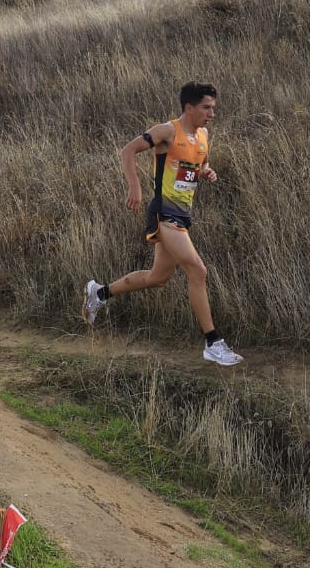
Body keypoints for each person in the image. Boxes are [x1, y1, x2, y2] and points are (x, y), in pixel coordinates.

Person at [82, 81, 242, 366]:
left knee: (158, 278)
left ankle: (100, 292)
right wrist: (135, 188)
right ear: (189, 107)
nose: (211, 114)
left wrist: (207, 172)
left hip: (183, 214)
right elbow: (128, 151)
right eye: (206, 107)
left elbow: (196, 165)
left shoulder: (203, 135)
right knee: (197, 270)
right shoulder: (167, 131)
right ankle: (213, 342)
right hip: (164, 212)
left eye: (213, 108)